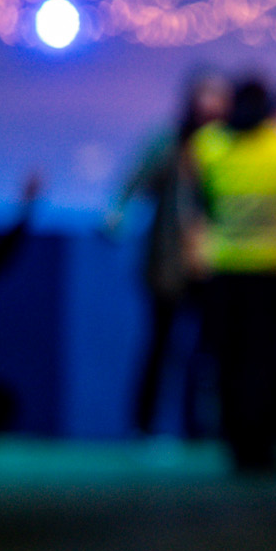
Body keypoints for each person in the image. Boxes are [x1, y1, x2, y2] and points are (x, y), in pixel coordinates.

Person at [189, 76, 276, 472]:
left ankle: (236, 446)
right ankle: (263, 446)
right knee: (266, 362)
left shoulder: (209, 144)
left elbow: (205, 204)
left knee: (231, 363)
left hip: (227, 267)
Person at [109, 69, 230, 435]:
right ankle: (143, 426)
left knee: (210, 352)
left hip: (216, 262)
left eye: (219, 97)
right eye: (206, 97)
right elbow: (138, 180)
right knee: (159, 346)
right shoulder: (170, 144)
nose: (212, 105)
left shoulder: (231, 146)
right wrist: (117, 212)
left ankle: (202, 429)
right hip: (169, 263)